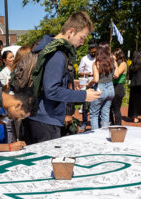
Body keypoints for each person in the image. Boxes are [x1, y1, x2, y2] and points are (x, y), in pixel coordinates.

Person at [25, 12, 101, 143]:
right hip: (46, 121)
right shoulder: (58, 54)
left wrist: (69, 82)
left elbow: (46, 81)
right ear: (71, 31)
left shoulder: (46, 46)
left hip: (36, 117)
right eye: (82, 38)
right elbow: (52, 90)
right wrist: (83, 96)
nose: (82, 43)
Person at [87, 43, 116, 130]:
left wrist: (89, 84)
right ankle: (104, 133)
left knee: (94, 114)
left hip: (100, 88)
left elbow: (96, 79)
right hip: (111, 88)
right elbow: (116, 74)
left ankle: (96, 135)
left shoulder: (96, 63)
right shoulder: (112, 61)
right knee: (105, 113)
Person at [77, 43, 97, 130]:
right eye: (92, 52)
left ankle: (95, 123)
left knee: (96, 103)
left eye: (95, 52)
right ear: (89, 51)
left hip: (96, 82)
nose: (94, 54)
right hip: (87, 82)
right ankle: (84, 122)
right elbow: (79, 72)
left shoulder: (98, 58)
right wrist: (86, 73)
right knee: (85, 105)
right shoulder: (84, 59)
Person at [111, 49, 128, 126]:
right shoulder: (114, 63)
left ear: (118, 55)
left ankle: (118, 126)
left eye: (113, 54)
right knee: (109, 109)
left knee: (116, 109)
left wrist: (114, 62)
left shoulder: (123, 63)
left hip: (118, 87)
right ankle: (111, 125)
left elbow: (116, 75)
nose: (112, 56)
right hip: (112, 86)